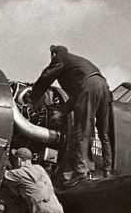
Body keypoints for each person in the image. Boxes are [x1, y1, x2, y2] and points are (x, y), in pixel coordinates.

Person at [26, 45, 113, 186]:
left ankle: (80, 171)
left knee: (81, 130)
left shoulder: (61, 57)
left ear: (54, 54)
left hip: (89, 87)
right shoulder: (78, 64)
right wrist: (61, 112)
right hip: (103, 86)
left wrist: (31, 99)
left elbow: (46, 77)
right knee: (104, 133)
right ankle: (108, 170)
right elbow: (77, 96)